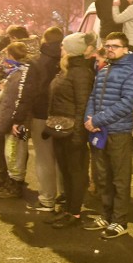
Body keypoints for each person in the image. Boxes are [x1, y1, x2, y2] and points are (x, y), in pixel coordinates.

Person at [83, 32, 133, 239]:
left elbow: (127, 104)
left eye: (115, 46)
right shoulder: (104, 69)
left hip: (118, 132)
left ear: (125, 49)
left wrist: (96, 121)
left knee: (119, 178)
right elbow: (93, 96)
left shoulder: (132, 72)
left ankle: (120, 221)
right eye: (107, 46)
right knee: (103, 176)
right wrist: (89, 118)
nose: (110, 49)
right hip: (100, 131)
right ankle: (106, 215)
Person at [46, 32, 97, 228]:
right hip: (61, 130)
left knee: (76, 173)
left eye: (63, 46)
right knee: (66, 172)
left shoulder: (81, 73)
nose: (60, 49)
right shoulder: (67, 69)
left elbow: (83, 106)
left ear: (72, 49)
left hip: (72, 132)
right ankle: (68, 209)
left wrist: (78, 135)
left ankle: (74, 213)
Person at [0, 26, 40, 190]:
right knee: (21, 141)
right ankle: (18, 176)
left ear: (13, 37)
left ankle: (5, 175)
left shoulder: (12, 50)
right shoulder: (39, 50)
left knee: (2, 137)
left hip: (6, 102)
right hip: (28, 105)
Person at [17, 26, 64, 211]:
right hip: (63, 117)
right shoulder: (68, 59)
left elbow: (27, 91)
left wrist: (18, 118)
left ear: (44, 39)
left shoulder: (35, 62)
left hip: (41, 115)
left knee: (44, 158)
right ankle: (65, 197)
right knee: (62, 157)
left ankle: (47, 199)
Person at [0, 42, 34, 199]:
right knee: (21, 151)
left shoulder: (16, 75)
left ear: (10, 55)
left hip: (15, 123)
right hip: (24, 121)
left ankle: (14, 185)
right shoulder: (26, 72)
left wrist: (3, 125)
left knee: (13, 152)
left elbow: (9, 102)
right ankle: (16, 181)